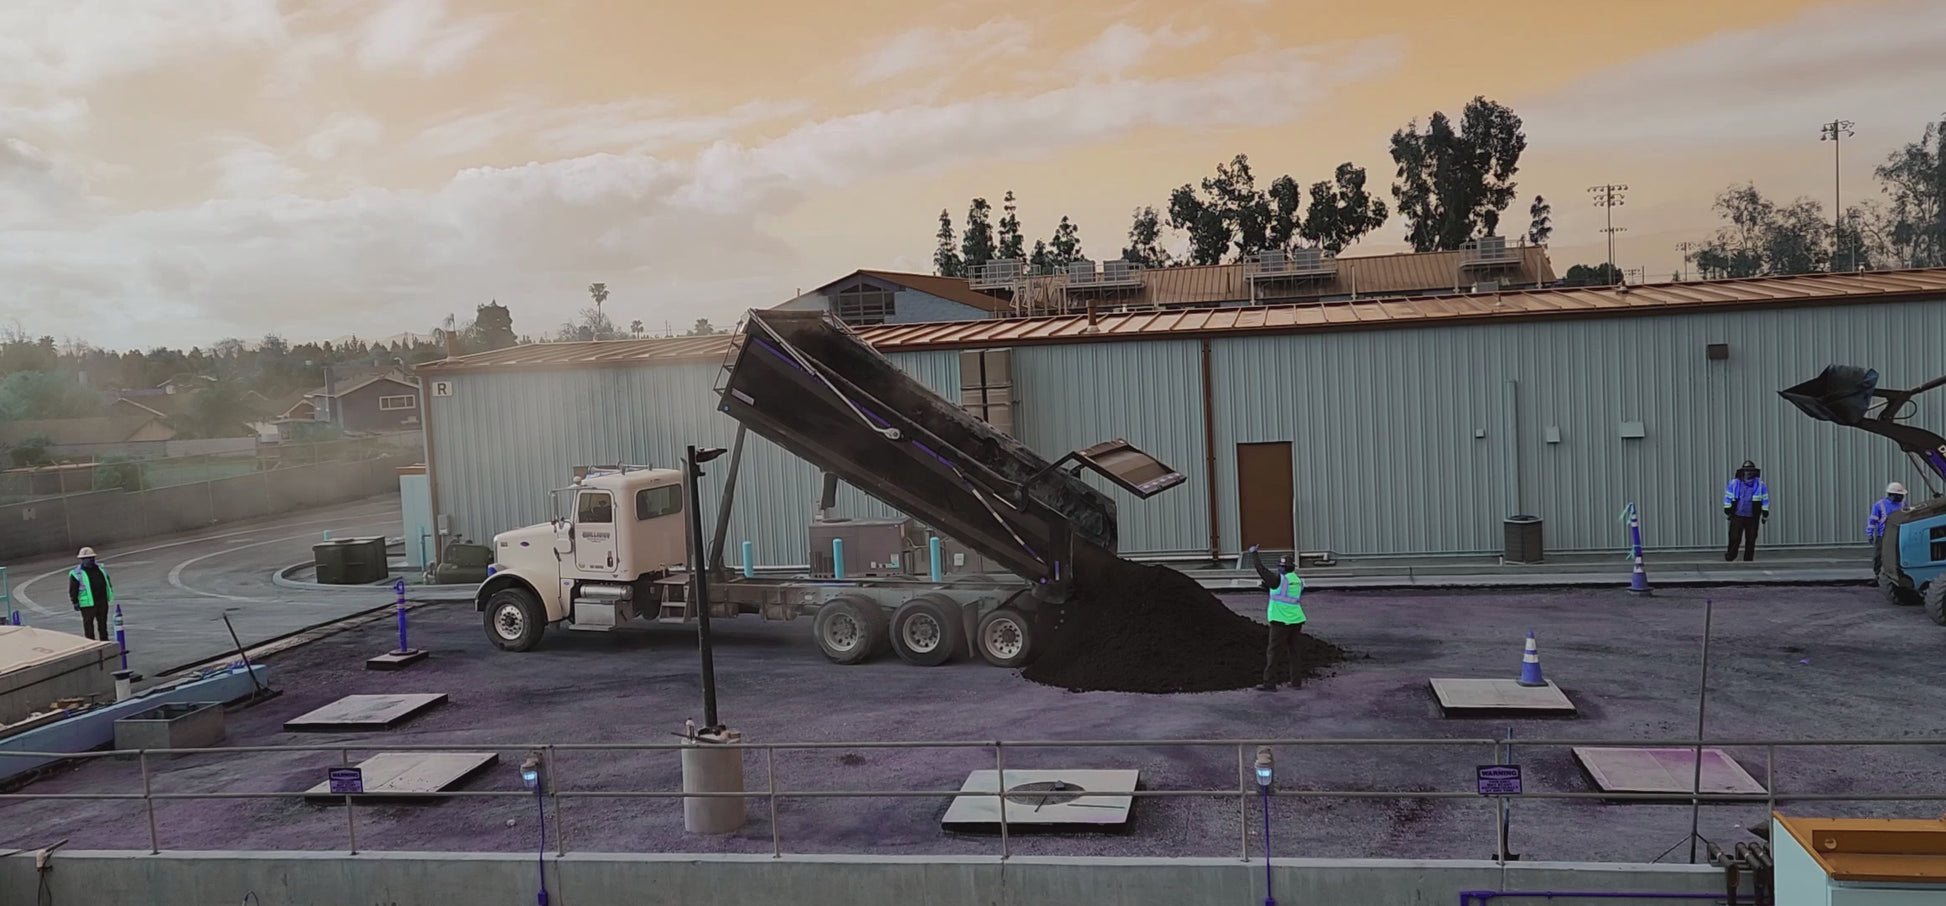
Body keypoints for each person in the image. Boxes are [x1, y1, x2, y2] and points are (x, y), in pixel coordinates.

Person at [1248, 545, 1306, 692]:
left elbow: (1262, 570)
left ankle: (1269, 684)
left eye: (1280, 567)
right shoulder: (1298, 581)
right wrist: (1268, 588)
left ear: (1283, 568)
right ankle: (1296, 682)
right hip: (1296, 620)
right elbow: (1285, 594)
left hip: (1280, 622)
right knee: (1294, 652)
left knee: (1273, 653)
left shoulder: (1278, 579)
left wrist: (1254, 554)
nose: (1279, 569)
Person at [1722, 460, 1770, 562]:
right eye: (1746, 470)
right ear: (1742, 471)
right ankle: (1730, 557)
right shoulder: (1734, 483)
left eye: (1750, 470)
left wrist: (1765, 513)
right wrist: (1727, 509)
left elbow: (1765, 499)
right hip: (1737, 515)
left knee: (1751, 539)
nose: (1748, 473)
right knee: (1734, 538)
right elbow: (1728, 496)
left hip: (1753, 516)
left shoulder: (1760, 485)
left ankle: (1748, 560)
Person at [68, 546, 113, 642]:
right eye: (86, 558)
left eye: (91, 558)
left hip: (102, 601)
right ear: (81, 560)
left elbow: (107, 581)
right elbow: (73, 589)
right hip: (87, 604)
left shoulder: (100, 569)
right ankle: (90, 642)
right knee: (88, 625)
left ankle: (104, 640)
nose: (89, 560)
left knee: (102, 623)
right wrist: (75, 602)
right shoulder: (76, 573)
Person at [1867, 482, 1907, 576]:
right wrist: (1870, 533)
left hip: (1898, 535)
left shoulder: (1903, 504)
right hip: (1883, 535)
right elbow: (1872, 521)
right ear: (1892, 495)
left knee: (1897, 556)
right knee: (1879, 556)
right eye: (1900, 495)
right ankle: (1877, 575)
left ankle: (1898, 575)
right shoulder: (1879, 505)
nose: (1902, 497)